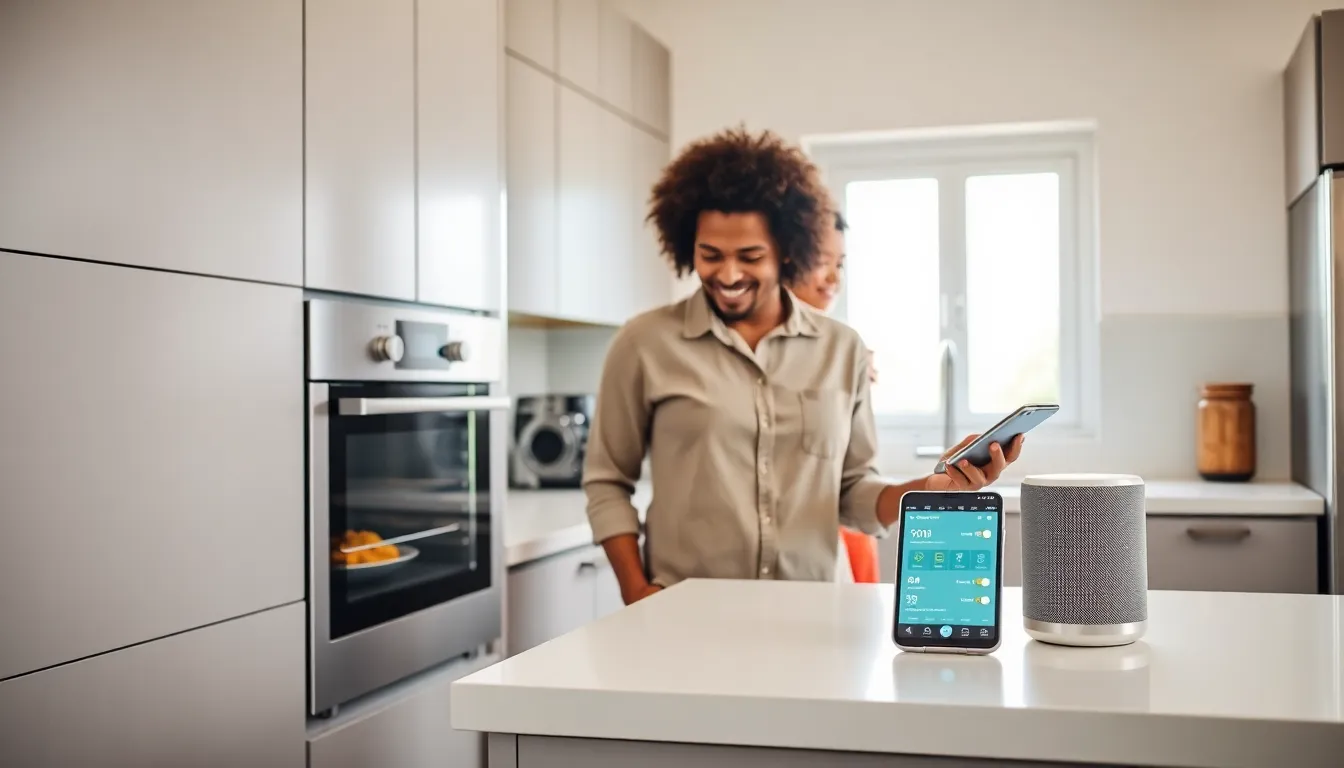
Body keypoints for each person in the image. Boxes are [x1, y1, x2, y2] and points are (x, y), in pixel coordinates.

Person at [582, 126, 1024, 605]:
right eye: (710, 255)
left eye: (750, 256)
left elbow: (853, 491)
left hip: (819, 618)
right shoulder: (645, 343)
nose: (728, 274)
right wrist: (636, 590)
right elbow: (608, 481)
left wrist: (929, 489)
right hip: (684, 613)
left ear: (789, 252)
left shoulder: (842, 348)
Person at [788, 210, 880, 583]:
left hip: (833, 525)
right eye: (821, 263)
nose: (833, 278)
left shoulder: (844, 347)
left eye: (839, 264)